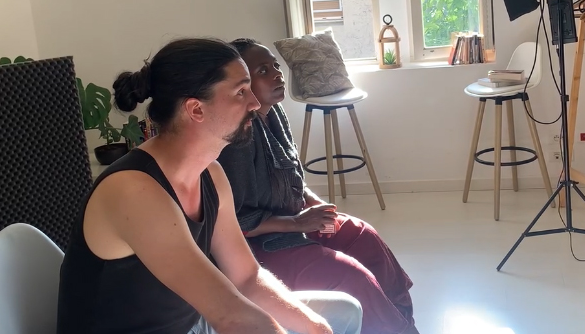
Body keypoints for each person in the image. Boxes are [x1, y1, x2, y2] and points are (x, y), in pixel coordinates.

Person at [56, 38, 363, 334]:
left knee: (343, 314)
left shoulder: (211, 174)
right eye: (241, 92)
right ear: (196, 109)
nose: (255, 103)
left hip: (193, 323)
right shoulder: (134, 190)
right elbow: (231, 317)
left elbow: (246, 277)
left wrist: (316, 327)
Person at [217, 38, 419, 334]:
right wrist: (297, 222)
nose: (277, 74)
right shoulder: (239, 136)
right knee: (349, 276)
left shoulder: (274, 114)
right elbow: (236, 223)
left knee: (362, 235)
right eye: (263, 70)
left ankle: (404, 323)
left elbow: (293, 180)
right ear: (242, 84)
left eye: (275, 65)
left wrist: (316, 205)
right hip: (259, 245)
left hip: (292, 222)